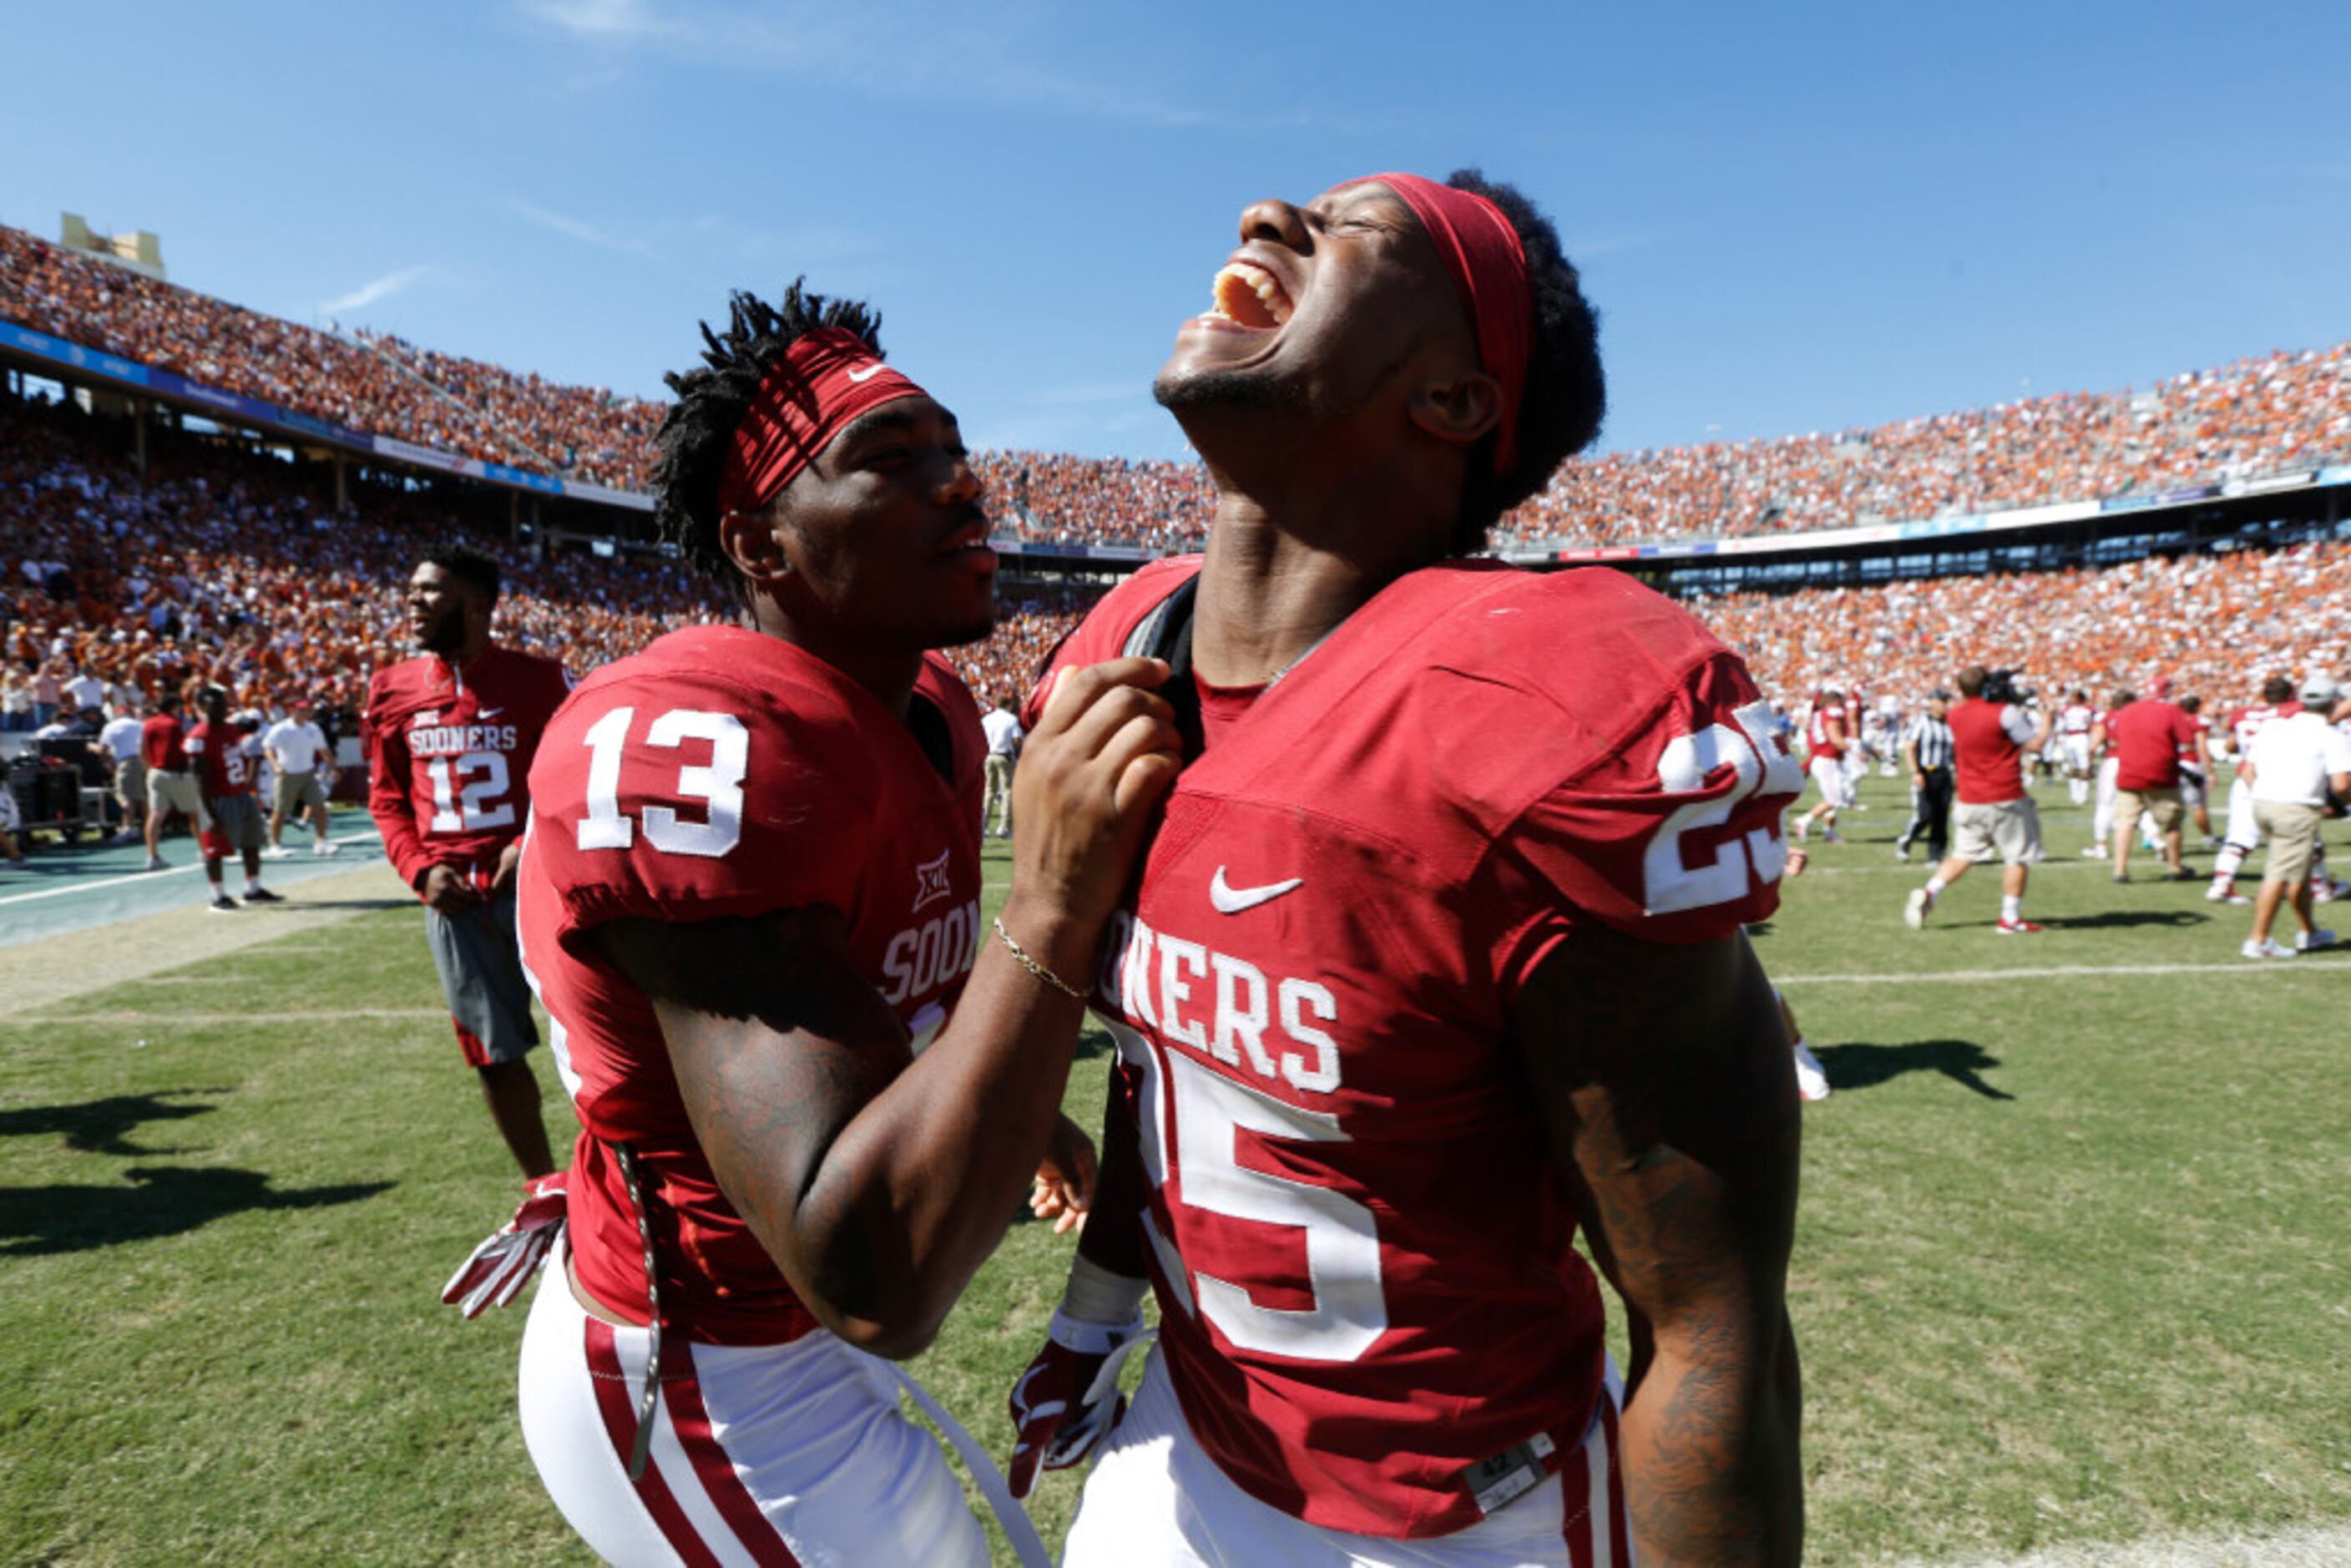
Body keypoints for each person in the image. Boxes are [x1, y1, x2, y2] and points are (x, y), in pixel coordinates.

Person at [1005, 172, 1805, 1566]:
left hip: (1456, 1519)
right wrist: (1097, 1308)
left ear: (1451, 399)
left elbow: (1707, 1324)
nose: (1265, 215)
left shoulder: (1543, 711)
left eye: (1352, 230)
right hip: (1183, 1447)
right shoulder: (1126, 647)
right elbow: (1171, 1075)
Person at [500, 282, 1180, 1566]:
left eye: (953, 451)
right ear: (763, 544)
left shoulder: (928, 701)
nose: (962, 486)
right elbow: (871, 1271)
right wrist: (1053, 896)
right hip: (709, 1357)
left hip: (794, 1327)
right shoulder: (694, 745)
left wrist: (1016, 1106)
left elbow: (876, 987)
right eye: (888, 461)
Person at [364, 547, 571, 1181]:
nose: (413, 601)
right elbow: (387, 797)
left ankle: (632, 1180)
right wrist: (420, 870)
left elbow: (571, 774)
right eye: (412, 589)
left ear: (478, 603)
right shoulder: (390, 688)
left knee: (600, 1035)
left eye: (430, 590)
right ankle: (543, 1187)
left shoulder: (540, 679)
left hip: (536, 883)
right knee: (494, 1053)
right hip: (455, 898)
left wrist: (524, 842)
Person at [1906, 664, 2052, 933]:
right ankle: (2010, 917)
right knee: (2016, 857)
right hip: (2004, 796)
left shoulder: (1955, 715)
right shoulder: (2004, 713)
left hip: (1969, 798)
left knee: (1963, 854)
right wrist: (2047, 722)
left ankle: (1930, 892)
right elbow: (2035, 745)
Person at [2239, 675, 2351, 959]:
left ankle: (2310, 932)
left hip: (2263, 803)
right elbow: (2341, 785)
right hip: (2295, 810)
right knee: (2279, 874)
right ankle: (2258, 940)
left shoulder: (2274, 727)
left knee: (2298, 872)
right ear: (2333, 702)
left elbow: (2248, 771)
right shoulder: (2330, 735)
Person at [185, 684, 281, 912]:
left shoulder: (229, 729)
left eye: (222, 705)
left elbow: (247, 733)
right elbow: (199, 779)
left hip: (239, 792)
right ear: (201, 708)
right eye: (213, 706)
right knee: (215, 850)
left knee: (252, 843)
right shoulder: (199, 736)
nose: (219, 710)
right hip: (218, 797)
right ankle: (218, 896)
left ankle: (253, 889)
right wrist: (209, 812)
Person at [2094, 687, 2199, 882]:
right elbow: (2188, 742)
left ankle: (2120, 870)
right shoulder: (2170, 711)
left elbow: (2115, 740)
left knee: (2125, 823)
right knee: (2172, 824)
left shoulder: (2126, 711)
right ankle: (2175, 867)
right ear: (2165, 692)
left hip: (2128, 773)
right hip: (2161, 774)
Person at [2209, 675, 2297, 906]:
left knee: (2240, 836)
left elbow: (2230, 746)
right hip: (2281, 779)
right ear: (2290, 696)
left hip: (2246, 778)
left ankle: (2221, 884)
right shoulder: (2294, 712)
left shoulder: (2242, 714)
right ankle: (2319, 885)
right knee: (2300, 834)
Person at [140, 690, 208, 873]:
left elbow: (144, 750)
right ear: (174, 707)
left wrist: (149, 768)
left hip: (155, 771)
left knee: (155, 814)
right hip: (177, 772)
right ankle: (203, 851)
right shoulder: (175, 725)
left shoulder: (149, 724)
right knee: (194, 812)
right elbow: (183, 750)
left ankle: (152, 855)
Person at [261, 697, 337, 857]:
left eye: (307, 710)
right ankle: (275, 845)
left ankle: (321, 842)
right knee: (280, 810)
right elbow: (268, 748)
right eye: (301, 709)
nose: (305, 713)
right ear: (292, 710)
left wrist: (333, 768)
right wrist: (276, 765)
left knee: (319, 807)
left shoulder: (313, 728)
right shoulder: (281, 728)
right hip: (287, 774)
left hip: (308, 773)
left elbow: (324, 749)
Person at [1895, 688, 1955, 864]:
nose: (1946, 704)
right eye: (1942, 701)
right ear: (1932, 703)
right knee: (1925, 814)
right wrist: (1915, 772)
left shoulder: (1950, 723)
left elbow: (1955, 751)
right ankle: (1906, 840)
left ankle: (1935, 855)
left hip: (1944, 773)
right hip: (1926, 771)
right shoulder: (1922, 721)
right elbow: (1910, 747)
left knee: (1942, 816)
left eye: (1946, 701)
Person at [1793, 687, 1848, 842]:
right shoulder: (1830, 713)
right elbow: (1834, 736)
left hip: (1823, 758)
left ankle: (1829, 833)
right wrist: (1855, 748)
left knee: (1835, 799)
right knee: (1834, 800)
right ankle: (1804, 821)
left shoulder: (1817, 714)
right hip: (1827, 759)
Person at [99, 694, 148, 845]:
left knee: (125, 797)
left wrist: (108, 763)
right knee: (141, 796)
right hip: (142, 761)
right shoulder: (140, 725)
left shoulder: (112, 726)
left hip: (126, 762)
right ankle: (147, 827)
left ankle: (128, 828)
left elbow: (103, 750)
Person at [982, 693, 1024, 837]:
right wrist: (1017, 752)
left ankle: (984, 825)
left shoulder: (987, 719)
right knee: (1007, 791)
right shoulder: (1011, 719)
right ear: (1008, 705)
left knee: (989, 791)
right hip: (1004, 756)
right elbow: (1017, 739)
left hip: (989, 755)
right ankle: (1003, 827)